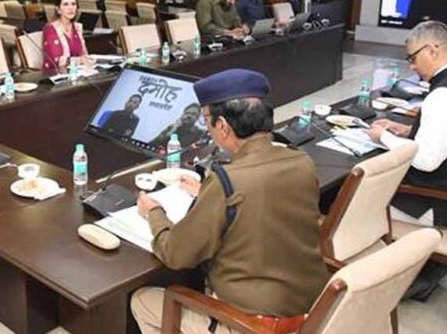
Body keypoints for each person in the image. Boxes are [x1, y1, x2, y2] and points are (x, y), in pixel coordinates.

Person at [132, 69, 329, 334]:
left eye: (206, 119)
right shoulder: (302, 162)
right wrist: (208, 193)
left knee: (142, 300)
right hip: (312, 314)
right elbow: (261, 200)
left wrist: (154, 212)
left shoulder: (226, 181)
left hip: (253, 325)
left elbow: (175, 254)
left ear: (222, 126)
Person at [366, 20, 447, 301]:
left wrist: (383, 137)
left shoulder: (443, 94)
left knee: (345, 196)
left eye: (413, 58)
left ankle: (385, 277)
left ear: (433, 50)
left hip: (432, 201)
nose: (412, 67)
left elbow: (426, 160)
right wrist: (408, 131)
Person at [42, 0, 93, 74]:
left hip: (77, 73)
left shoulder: (77, 27)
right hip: (56, 75)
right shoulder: (50, 29)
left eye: (73, 4)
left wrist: (88, 60)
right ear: (58, 9)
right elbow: (57, 60)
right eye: (66, 4)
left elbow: (84, 55)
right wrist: (79, 60)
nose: (70, 8)